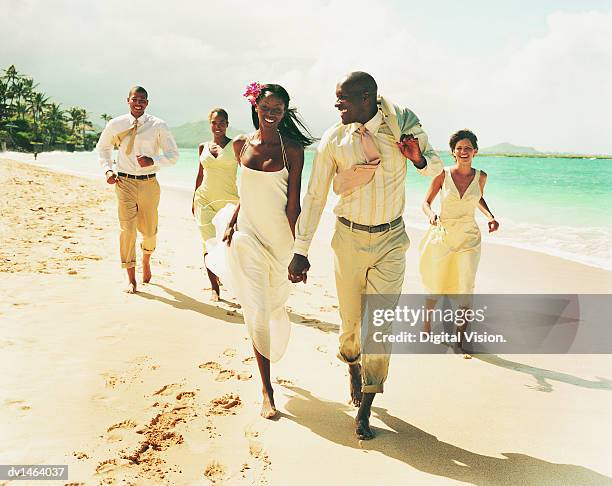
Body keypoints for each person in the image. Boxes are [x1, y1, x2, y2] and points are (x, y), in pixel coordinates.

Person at [288, 71, 443, 440]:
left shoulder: (402, 124)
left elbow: (437, 170)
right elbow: (315, 197)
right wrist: (300, 250)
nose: (336, 104)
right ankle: (352, 364)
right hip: (349, 239)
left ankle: (366, 406)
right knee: (350, 324)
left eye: (343, 98)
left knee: (380, 325)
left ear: (368, 97)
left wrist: (418, 159)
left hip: (391, 240)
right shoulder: (334, 138)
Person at [212, 82, 314, 419]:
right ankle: (267, 391)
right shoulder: (240, 145)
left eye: (277, 110)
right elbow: (246, 191)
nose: (271, 114)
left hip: (280, 241)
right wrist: (231, 223)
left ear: (284, 112)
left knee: (273, 306)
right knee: (255, 309)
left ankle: (271, 358)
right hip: (248, 237)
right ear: (255, 107)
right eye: (266, 108)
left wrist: (300, 251)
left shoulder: (292, 150)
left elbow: (294, 206)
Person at [419, 129, 499, 355]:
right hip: (443, 235)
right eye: (459, 149)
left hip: (469, 238)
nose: (463, 152)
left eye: (468, 148)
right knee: (436, 282)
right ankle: (426, 325)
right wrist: (431, 215)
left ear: (475, 151)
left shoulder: (481, 176)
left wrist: (490, 216)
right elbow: (425, 202)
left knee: (466, 285)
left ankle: (459, 339)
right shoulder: (442, 174)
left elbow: (477, 197)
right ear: (453, 152)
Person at [96, 86, 179, 293]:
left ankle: (146, 258)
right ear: (128, 100)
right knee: (128, 230)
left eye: (142, 100)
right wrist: (107, 170)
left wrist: (153, 159)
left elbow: (173, 155)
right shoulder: (116, 124)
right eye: (135, 99)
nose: (138, 103)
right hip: (124, 182)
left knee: (149, 232)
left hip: (149, 183)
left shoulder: (158, 125)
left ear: (147, 103)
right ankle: (131, 277)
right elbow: (103, 147)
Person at [192, 108, 239, 301]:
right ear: (209, 124)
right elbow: (200, 175)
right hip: (204, 200)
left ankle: (231, 280)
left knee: (229, 244)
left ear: (227, 124)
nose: (217, 126)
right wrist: (193, 199)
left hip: (229, 202)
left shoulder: (237, 146)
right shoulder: (203, 147)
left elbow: (247, 175)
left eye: (221, 122)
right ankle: (214, 288)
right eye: (214, 122)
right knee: (207, 242)